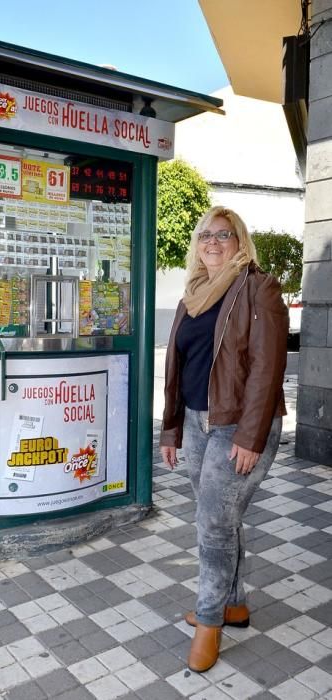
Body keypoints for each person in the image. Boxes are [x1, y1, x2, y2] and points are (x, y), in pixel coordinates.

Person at [160, 206, 288, 673]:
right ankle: (232, 603)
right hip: (196, 423)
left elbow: (267, 370)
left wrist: (252, 436)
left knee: (212, 523)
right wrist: (172, 430)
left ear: (240, 242)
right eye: (205, 235)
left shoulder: (259, 288)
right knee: (221, 520)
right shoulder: (191, 297)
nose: (212, 243)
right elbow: (178, 372)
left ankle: (210, 621)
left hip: (239, 426)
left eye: (224, 235)